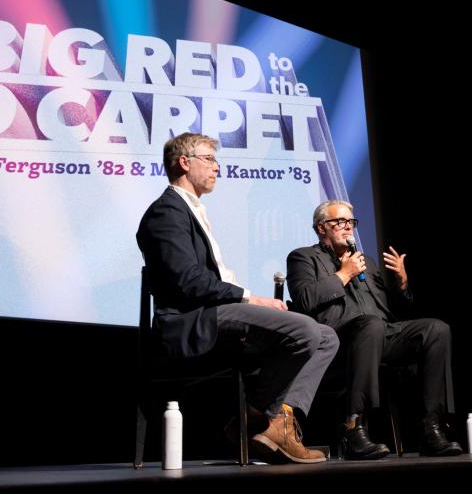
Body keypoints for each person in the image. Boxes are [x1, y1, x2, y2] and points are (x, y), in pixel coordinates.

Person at [136, 132, 339, 464]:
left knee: (327, 337)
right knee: (304, 330)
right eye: (210, 159)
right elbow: (189, 281)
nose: (218, 167)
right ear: (185, 163)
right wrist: (251, 299)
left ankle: (275, 424)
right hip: (192, 320)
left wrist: (251, 301)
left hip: (217, 311)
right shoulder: (167, 212)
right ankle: (258, 417)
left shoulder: (192, 210)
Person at [287, 199, 462, 459]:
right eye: (339, 222)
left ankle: (431, 428)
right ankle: (354, 428)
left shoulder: (366, 262)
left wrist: (402, 284)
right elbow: (304, 300)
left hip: (381, 335)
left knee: (436, 329)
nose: (348, 228)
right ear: (321, 228)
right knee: (370, 326)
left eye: (351, 223)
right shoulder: (303, 257)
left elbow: (394, 310)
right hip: (338, 341)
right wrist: (343, 275)